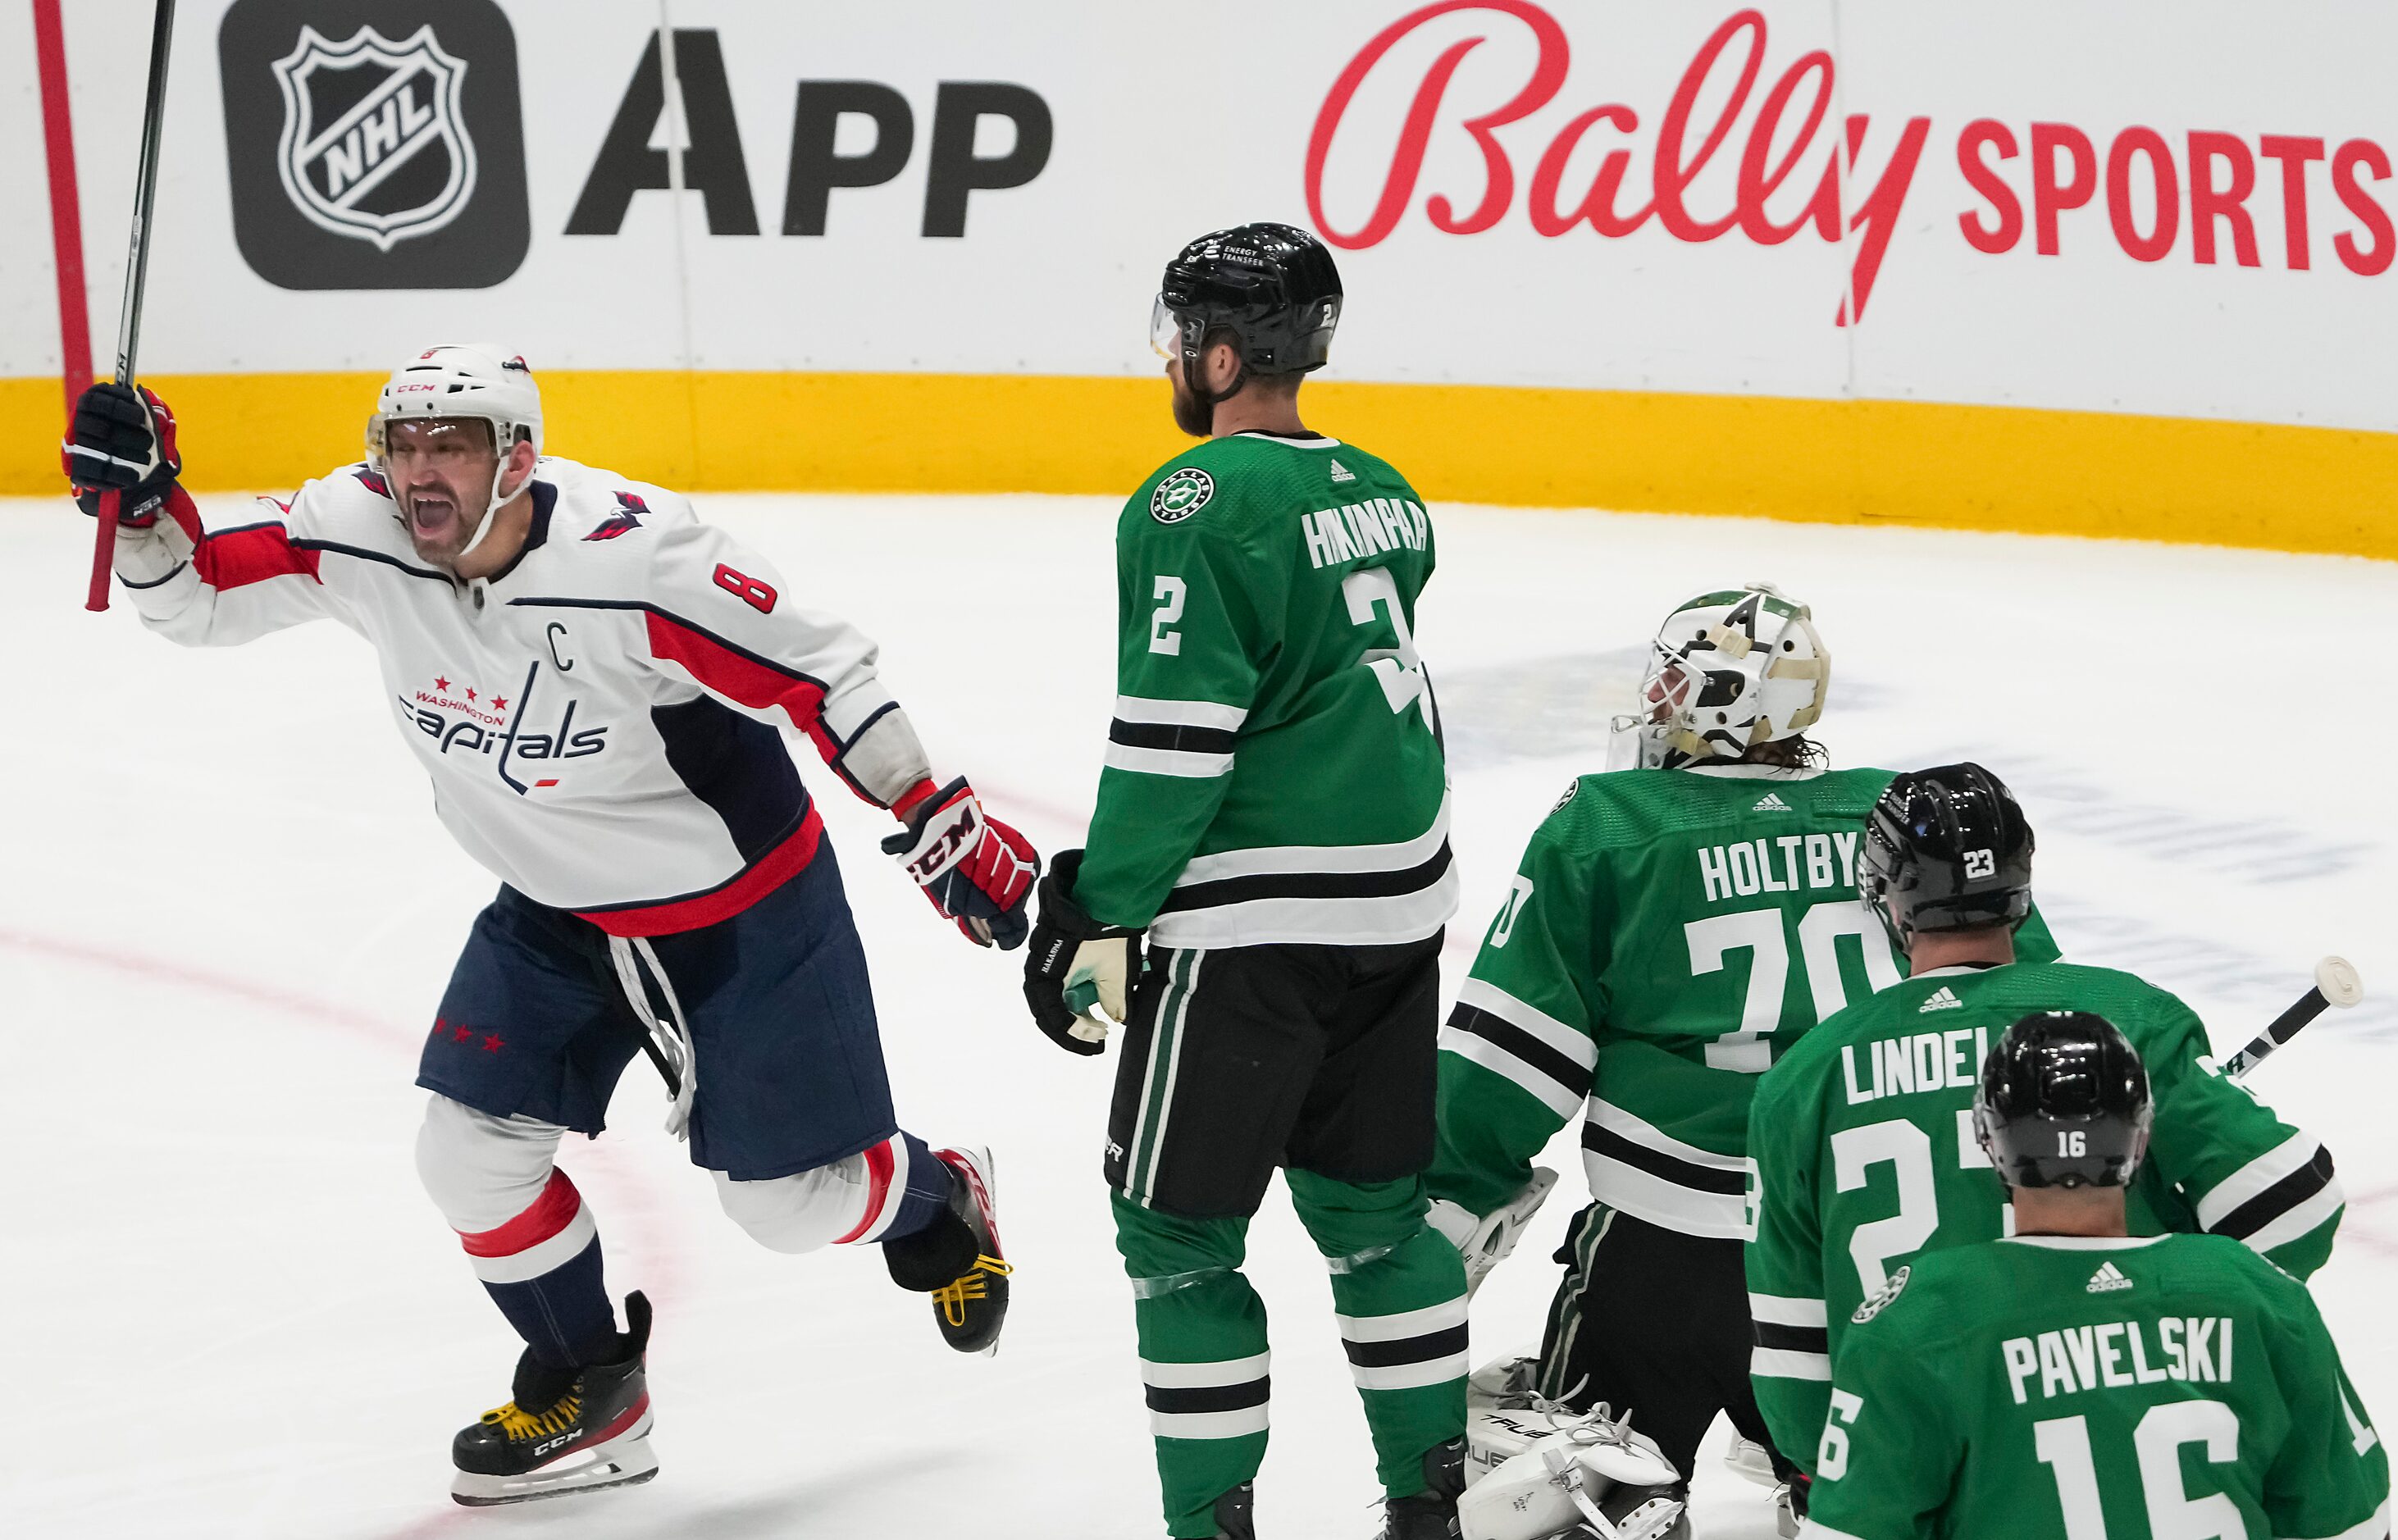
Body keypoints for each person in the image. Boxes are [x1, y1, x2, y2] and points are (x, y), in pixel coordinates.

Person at [62, 350, 1038, 1504]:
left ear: (517, 457)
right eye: (403, 444)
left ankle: (937, 1193)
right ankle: (591, 1383)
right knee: (465, 1153)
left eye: (453, 445)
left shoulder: (640, 567)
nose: (419, 473)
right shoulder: (360, 528)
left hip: (738, 911)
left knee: (782, 1205)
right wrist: (140, 504)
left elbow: (820, 672)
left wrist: (936, 812)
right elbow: (199, 598)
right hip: (555, 910)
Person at [1424, 585, 2061, 1517]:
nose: (1655, 700)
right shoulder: (1905, 820)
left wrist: (1448, 1199)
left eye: (1677, 680)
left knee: (1569, 1498)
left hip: (1666, 1254)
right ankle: (1804, 1467)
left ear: (1725, 698)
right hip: (1869, 1256)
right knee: (1887, 1501)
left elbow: (1513, 1056)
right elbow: (2024, 1022)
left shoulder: (1610, 827)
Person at [1019, 224, 1466, 1540]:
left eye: (1178, 334)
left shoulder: (1190, 500)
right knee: (1382, 1225)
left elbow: (1176, 738)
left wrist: (1102, 903)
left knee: (1178, 1242)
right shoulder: (1385, 487)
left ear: (1218, 352)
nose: (1170, 357)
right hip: (1397, 907)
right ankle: (1429, 1510)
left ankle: (1213, 1523)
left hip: (1250, 936)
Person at [1746, 763, 2345, 1517]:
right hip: (2141, 1444)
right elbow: (2293, 1208)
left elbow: (1792, 1342)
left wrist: (1840, 1467)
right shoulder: (2121, 1017)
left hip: (1918, 1460)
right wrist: (2178, 1300)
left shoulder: (1803, 1075)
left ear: (1888, 896)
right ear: (2020, 885)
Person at [1799, 1010, 2387, 1539]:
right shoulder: (2254, 1294)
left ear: (1987, 1136)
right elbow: (2353, 1525)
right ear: (2141, 1135)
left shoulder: (1918, 1322)